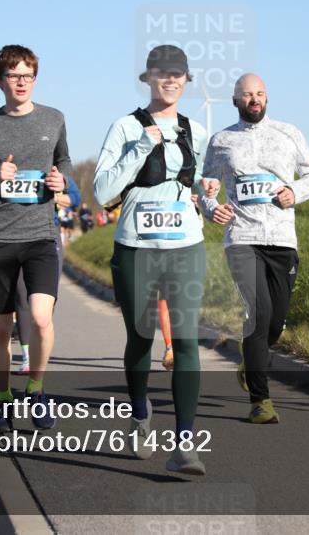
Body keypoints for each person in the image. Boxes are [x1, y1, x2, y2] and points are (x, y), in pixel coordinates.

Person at [93, 44, 209, 475]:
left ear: (186, 80)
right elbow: (102, 192)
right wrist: (141, 147)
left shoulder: (197, 131)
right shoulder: (125, 127)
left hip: (185, 246)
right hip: (136, 247)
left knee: (186, 342)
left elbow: (202, 187)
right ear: (148, 79)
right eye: (162, 73)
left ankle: (185, 445)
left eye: (178, 74)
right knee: (141, 338)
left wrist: (209, 198)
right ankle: (140, 413)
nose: (171, 80)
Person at [200, 73, 309, 424]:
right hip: (242, 238)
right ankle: (261, 401)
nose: (254, 99)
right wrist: (211, 208)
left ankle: (250, 357)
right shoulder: (221, 140)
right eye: (247, 95)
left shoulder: (289, 133)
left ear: (267, 98)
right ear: (235, 101)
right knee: (257, 313)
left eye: (259, 93)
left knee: (274, 323)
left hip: (282, 239)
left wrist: (294, 192)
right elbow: (206, 186)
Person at [0, 44, 72, 431]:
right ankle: (3, 399)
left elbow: (64, 161)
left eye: (28, 75)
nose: (22, 82)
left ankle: (36, 391)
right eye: (14, 75)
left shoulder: (54, 119)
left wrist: (61, 180)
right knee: (2, 326)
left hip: (41, 234)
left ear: (35, 78)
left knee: (40, 319)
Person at [13, 177, 80, 374]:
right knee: (21, 296)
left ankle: (40, 345)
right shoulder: (9, 167)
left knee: (45, 302)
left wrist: (54, 196)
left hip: (48, 235)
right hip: (15, 235)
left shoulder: (52, 170)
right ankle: (27, 356)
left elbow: (75, 197)